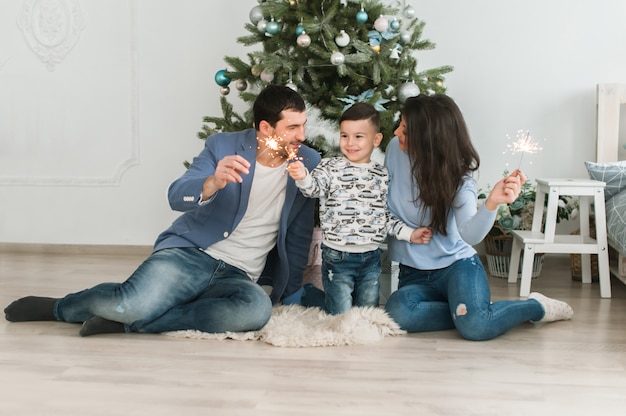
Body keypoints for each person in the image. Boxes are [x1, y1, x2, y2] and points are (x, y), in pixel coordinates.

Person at [4, 84, 321, 336]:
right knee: (128, 303)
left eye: (303, 125)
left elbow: (298, 232)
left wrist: (290, 290)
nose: (302, 136)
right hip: (191, 254)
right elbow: (175, 195)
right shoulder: (223, 146)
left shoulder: (307, 162)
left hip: (240, 274)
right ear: (266, 127)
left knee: (255, 312)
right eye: (293, 127)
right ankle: (61, 308)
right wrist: (211, 183)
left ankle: (137, 324)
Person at [383, 94, 573, 341]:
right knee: (399, 314)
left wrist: (492, 203)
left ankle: (536, 307)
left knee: (476, 328)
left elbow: (469, 234)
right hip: (413, 272)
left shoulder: (459, 181)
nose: (397, 132)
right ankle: (469, 310)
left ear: (427, 140)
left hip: (457, 267)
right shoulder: (394, 150)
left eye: (406, 130)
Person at [287, 102, 432, 315]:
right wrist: (303, 178)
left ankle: (327, 298)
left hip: (370, 258)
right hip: (337, 257)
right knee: (341, 315)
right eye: (344, 135)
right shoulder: (330, 167)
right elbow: (313, 190)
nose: (350, 143)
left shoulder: (381, 176)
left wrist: (410, 234)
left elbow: (385, 216)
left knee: (367, 313)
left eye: (358, 136)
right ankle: (309, 293)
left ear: (376, 140)